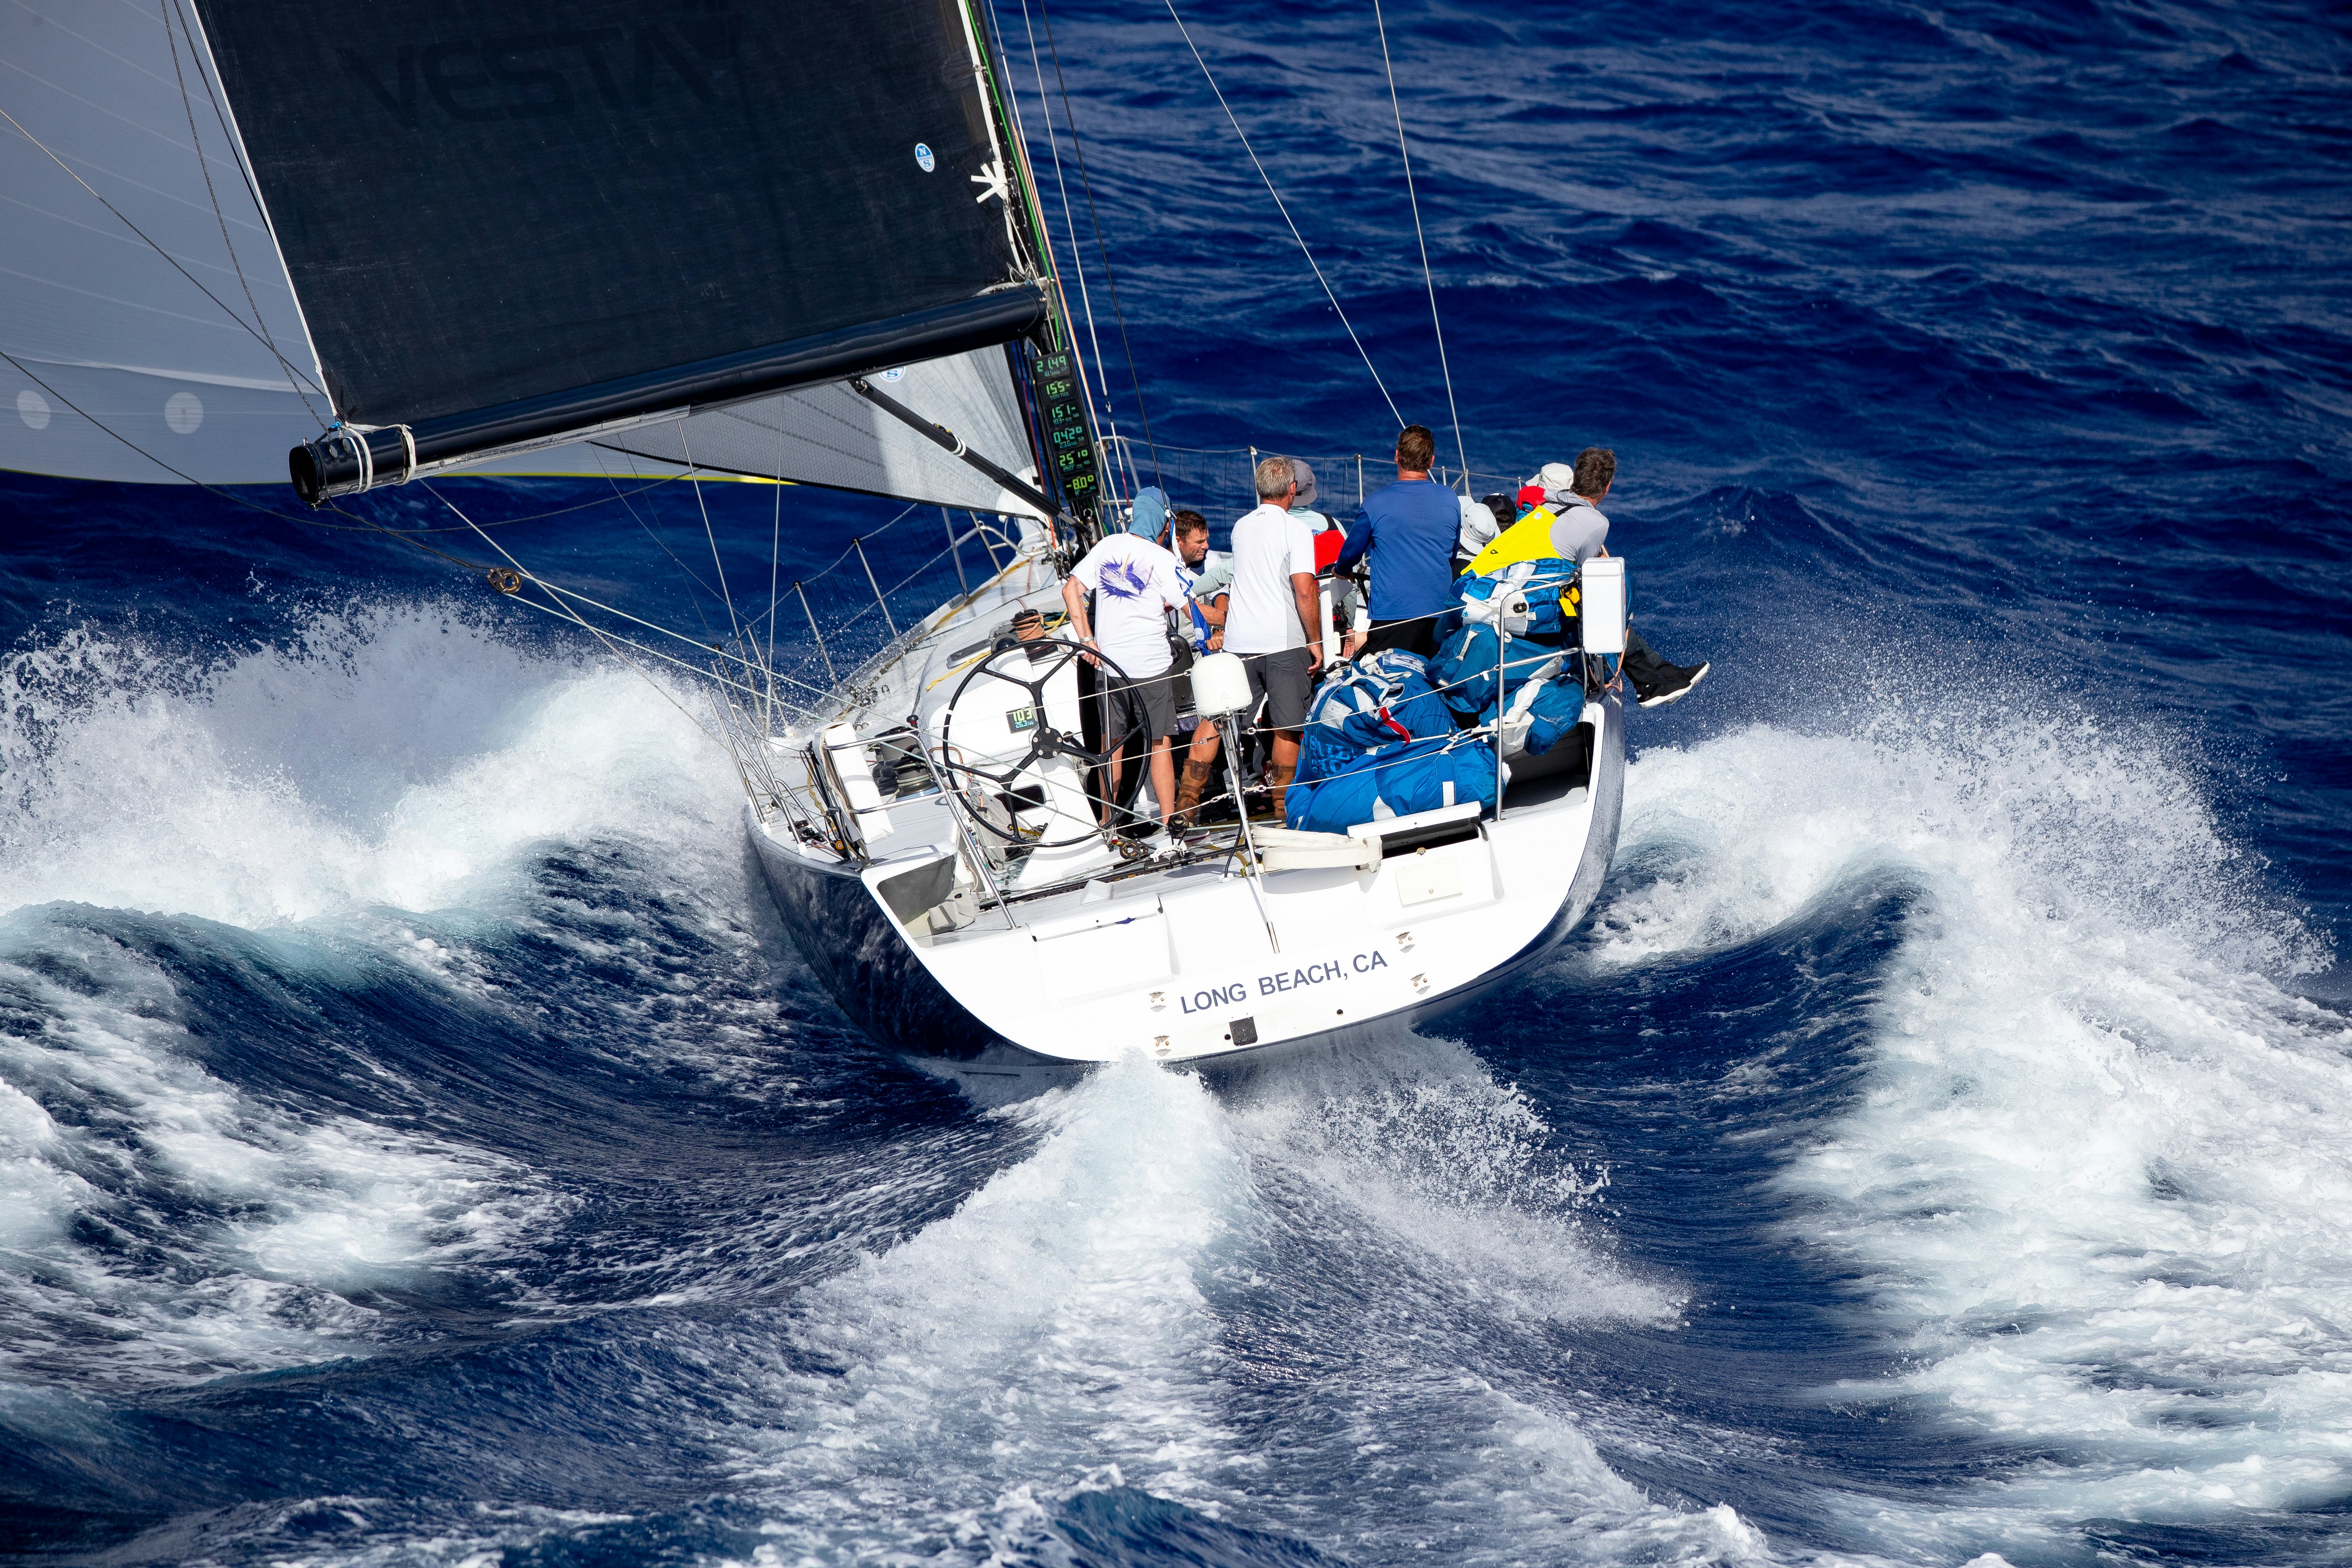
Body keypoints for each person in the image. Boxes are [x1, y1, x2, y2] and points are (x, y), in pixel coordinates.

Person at [1465, 447, 1710, 708]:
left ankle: (1659, 677)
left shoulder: (1549, 501)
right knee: (1607, 600)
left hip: (1486, 580)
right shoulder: (1596, 522)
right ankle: (1651, 682)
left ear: (1576, 477)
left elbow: (1554, 502)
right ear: (1608, 487)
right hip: (1512, 595)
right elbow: (1587, 574)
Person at [1174, 455, 1322, 825]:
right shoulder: (1296, 530)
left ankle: (1186, 803)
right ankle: (1284, 810)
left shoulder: (1241, 528)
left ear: (1259, 489)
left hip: (1239, 642)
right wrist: (1315, 641)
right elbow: (1305, 589)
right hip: (1283, 641)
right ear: (1292, 489)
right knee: (1288, 726)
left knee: (1218, 718)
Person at [1060, 496, 1189, 832]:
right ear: (1162, 525)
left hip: (1110, 668)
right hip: (1152, 668)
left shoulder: (1107, 545)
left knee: (1112, 748)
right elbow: (1191, 610)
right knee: (1160, 745)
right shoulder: (1162, 558)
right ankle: (1170, 824)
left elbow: (1071, 590)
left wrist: (1087, 641)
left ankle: (1108, 825)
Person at [1334, 424, 1459, 658]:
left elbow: (1351, 554)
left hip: (1392, 617)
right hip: (1439, 617)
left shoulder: (1376, 503)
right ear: (1432, 462)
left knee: (1384, 677)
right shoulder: (1451, 500)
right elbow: (1451, 554)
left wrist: (1341, 570)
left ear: (1397, 456)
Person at [1285, 460, 1360, 653]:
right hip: (1331, 623)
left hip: (1290, 625)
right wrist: (1349, 627)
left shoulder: (1276, 527)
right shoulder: (1333, 525)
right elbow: (1348, 582)